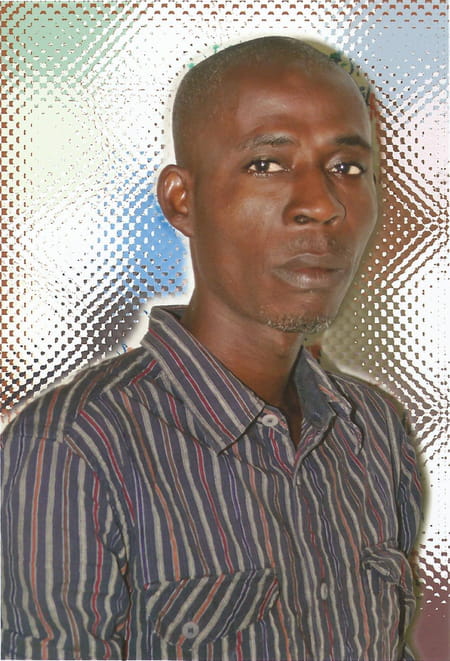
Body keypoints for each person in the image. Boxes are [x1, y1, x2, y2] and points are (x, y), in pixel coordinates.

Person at [1, 36, 422, 661]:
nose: (321, 205)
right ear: (182, 199)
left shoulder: (375, 430)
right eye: (267, 164)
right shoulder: (72, 448)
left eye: (348, 169)